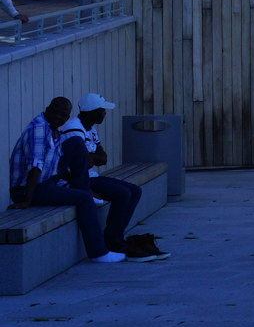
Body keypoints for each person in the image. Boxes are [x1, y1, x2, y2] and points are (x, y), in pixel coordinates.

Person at [8, 97, 125, 263]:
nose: (59, 118)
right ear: (47, 109)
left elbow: (57, 162)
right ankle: (99, 253)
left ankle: (84, 189)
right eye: (56, 113)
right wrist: (27, 200)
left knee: (76, 143)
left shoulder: (52, 128)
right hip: (29, 189)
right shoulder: (39, 129)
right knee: (84, 200)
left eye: (64, 115)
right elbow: (35, 167)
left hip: (46, 180)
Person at [67, 93, 165, 261]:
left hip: (90, 175)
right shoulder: (74, 129)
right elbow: (85, 161)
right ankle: (113, 241)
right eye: (102, 110)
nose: (105, 114)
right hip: (75, 180)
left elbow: (102, 158)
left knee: (134, 190)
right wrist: (91, 158)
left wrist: (91, 157)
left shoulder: (90, 128)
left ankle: (115, 236)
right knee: (122, 193)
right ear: (92, 111)